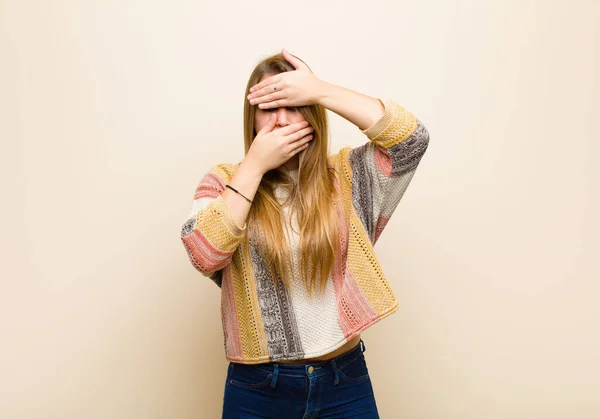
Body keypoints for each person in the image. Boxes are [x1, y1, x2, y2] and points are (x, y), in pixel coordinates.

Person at [180, 48, 430, 418]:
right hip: (258, 389)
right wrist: (254, 165)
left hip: (344, 382)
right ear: (251, 120)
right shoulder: (225, 182)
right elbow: (205, 254)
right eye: (268, 106)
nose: (281, 120)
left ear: (313, 115)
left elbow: (411, 141)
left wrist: (320, 90)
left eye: (293, 104)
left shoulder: (346, 177)